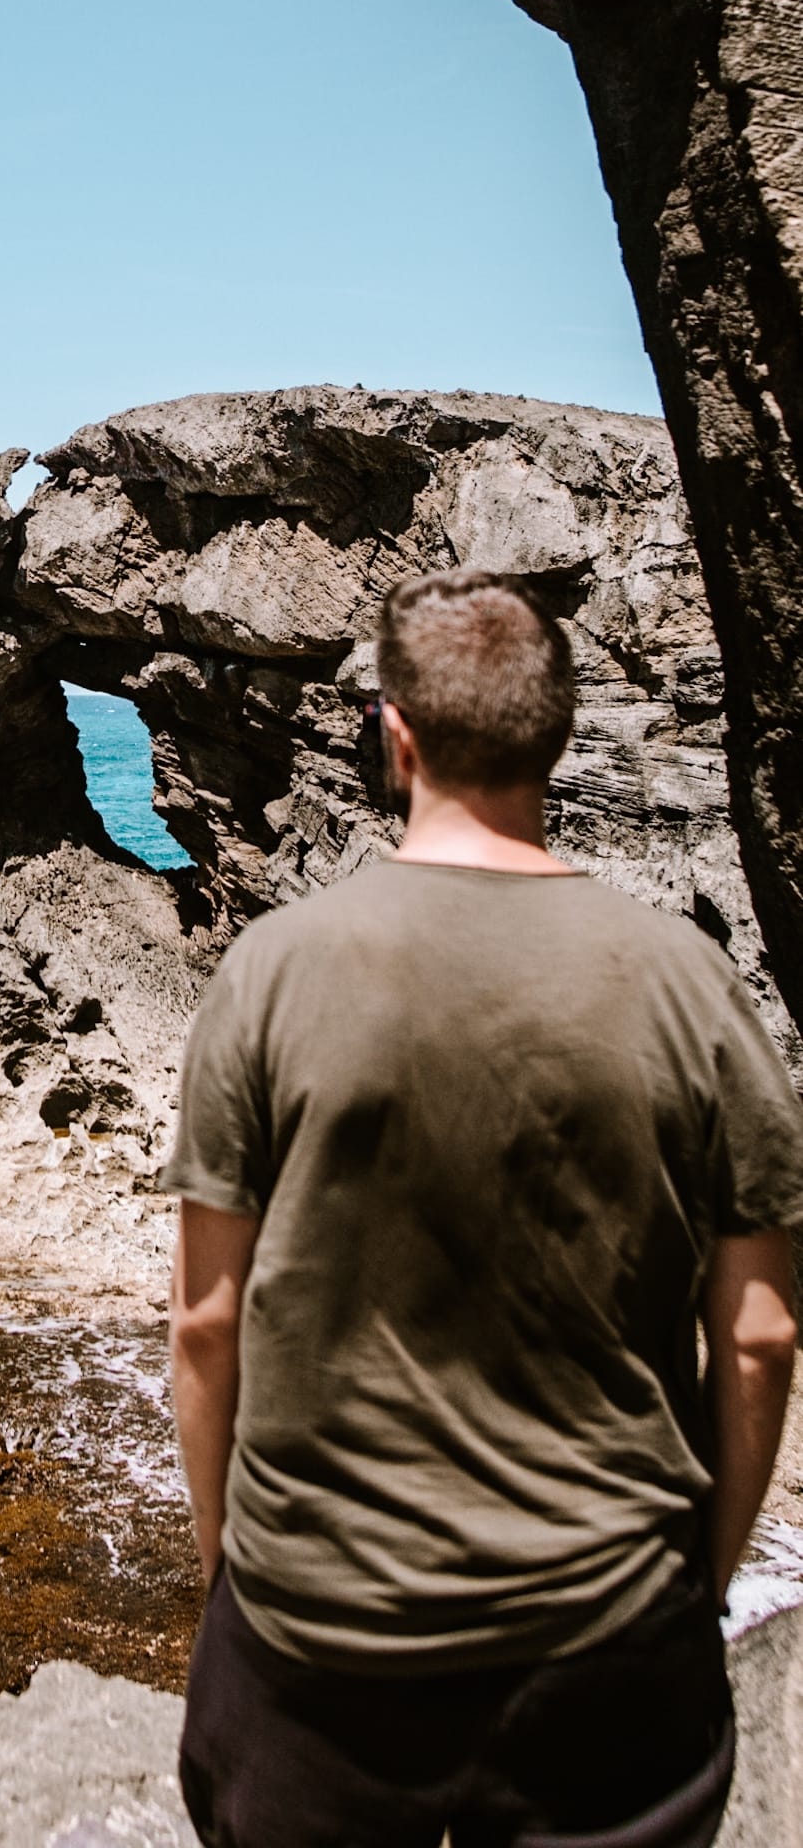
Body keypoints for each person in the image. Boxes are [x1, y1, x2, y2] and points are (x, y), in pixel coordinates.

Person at [163, 568, 803, 1848]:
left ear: (394, 738)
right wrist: (691, 1587)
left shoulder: (273, 970)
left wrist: (237, 1574)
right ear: (556, 738)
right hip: (609, 1635)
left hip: (324, 1634)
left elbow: (203, 1324)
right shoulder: (690, 984)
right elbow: (759, 1335)